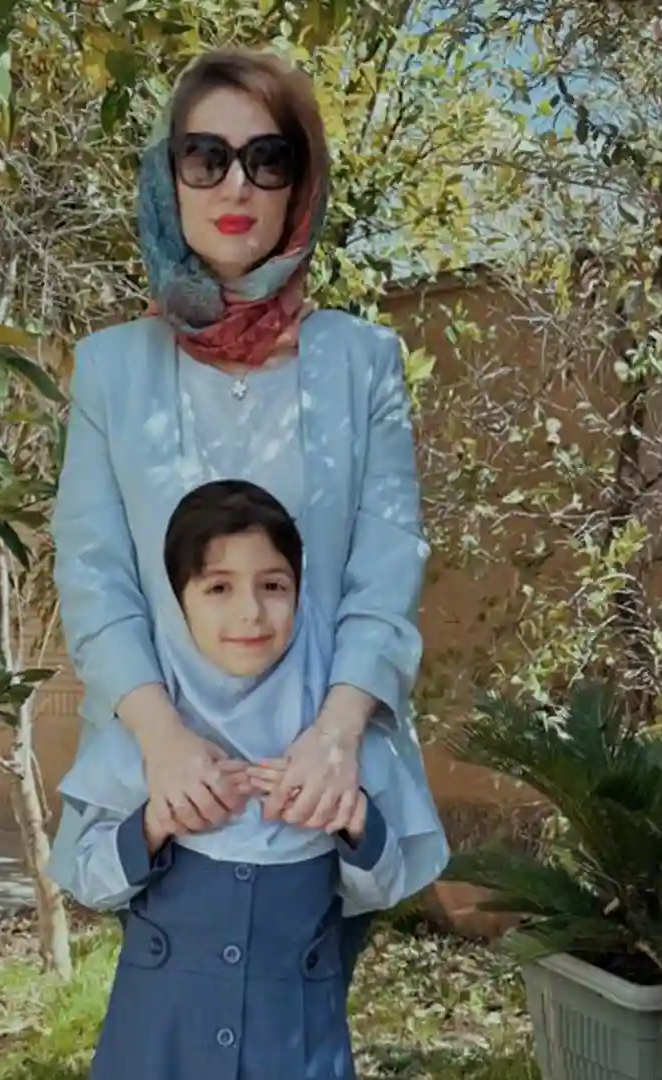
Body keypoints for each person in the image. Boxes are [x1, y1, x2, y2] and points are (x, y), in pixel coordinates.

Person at [48, 46, 442, 986]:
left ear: (300, 184)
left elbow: (386, 567)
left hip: (324, 794)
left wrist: (336, 740)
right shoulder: (111, 369)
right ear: (169, 177)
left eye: (268, 159)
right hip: (166, 791)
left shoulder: (362, 362)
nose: (236, 184)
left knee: (301, 1029)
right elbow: (94, 576)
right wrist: (163, 744)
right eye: (206, 157)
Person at [56, 480, 447, 1080]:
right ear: (178, 601)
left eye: (273, 586)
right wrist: (154, 824)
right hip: (158, 1052)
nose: (250, 612)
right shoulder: (150, 738)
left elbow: (385, 884)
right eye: (218, 587)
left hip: (295, 1053)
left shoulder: (335, 742)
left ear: (300, 593)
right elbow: (89, 879)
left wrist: (353, 821)